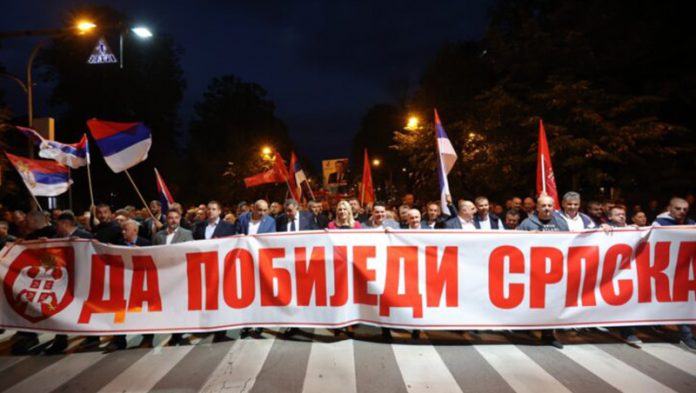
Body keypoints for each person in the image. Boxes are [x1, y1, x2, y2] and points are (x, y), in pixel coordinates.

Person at [517, 195, 566, 349]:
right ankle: (526, 327)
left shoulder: (561, 223)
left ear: (554, 207)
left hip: (553, 272)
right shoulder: (526, 223)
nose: (546, 208)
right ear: (537, 207)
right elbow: (514, 242)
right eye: (543, 205)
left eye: (549, 206)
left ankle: (548, 334)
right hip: (532, 271)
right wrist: (524, 236)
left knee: (551, 303)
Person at [44, 212, 94, 355]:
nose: (56, 228)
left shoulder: (86, 236)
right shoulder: (56, 239)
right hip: (63, 281)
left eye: (58, 224)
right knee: (61, 309)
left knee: (84, 309)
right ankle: (60, 339)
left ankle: (92, 336)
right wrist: (43, 243)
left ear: (65, 224)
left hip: (82, 279)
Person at [651, 197, 696, 349]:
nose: (682, 212)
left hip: (685, 271)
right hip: (664, 271)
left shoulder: (691, 224)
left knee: (683, 302)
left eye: (685, 209)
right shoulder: (659, 224)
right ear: (669, 209)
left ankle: (686, 334)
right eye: (678, 209)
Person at [154, 209, 194, 345]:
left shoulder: (187, 234)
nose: (173, 220)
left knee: (180, 306)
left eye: (176, 218)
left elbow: (191, 252)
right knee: (169, 307)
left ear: (180, 218)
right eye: (170, 218)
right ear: (167, 219)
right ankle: (174, 333)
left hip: (181, 276)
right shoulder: (158, 235)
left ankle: (180, 333)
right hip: (164, 276)